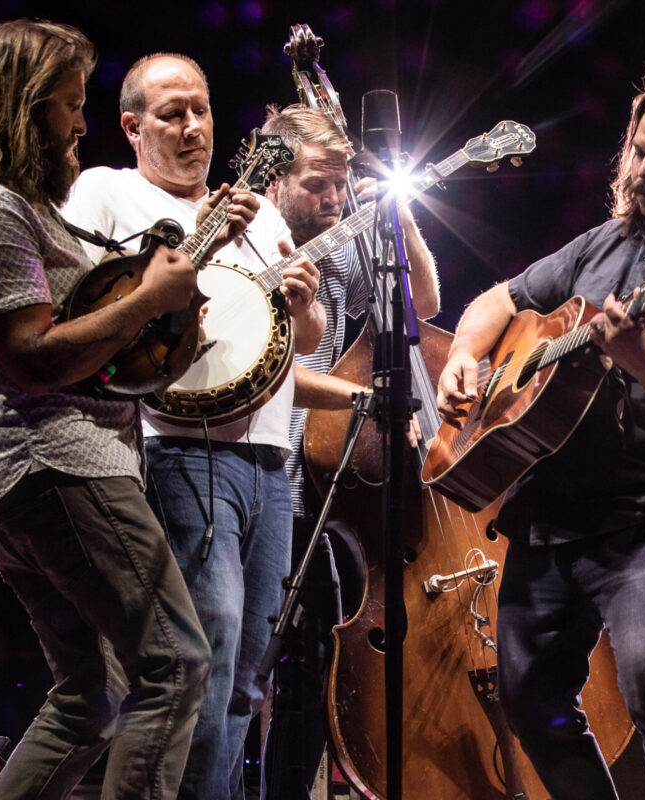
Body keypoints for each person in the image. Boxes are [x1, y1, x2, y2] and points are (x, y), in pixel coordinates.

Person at [436, 72, 645, 800]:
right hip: (553, 508)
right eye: (638, 152)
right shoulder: (607, 240)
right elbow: (501, 300)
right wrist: (468, 356)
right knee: (529, 695)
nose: (643, 171)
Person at [0, 21, 212, 800]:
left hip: (47, 472)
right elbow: (33, 357)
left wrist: (163, 326)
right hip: (61, 466)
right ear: (21, 108)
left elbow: (84, 346)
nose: (80, 123)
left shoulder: (14, 206)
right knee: (175, 663)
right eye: (67, 105)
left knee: (98, 694)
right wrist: (147, 298)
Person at [62, 54, 324, 800]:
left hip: (271, 460)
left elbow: (304, 339)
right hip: (176, 451)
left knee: (247, 666)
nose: (192, 128)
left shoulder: (263, 213)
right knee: (202, 647)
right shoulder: (108, 192)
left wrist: (303, 301)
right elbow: (85, 303)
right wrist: (195, 244)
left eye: (202, 110)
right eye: (173, 113)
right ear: (132, 126)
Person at [255, 103, 439, 798]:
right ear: (275, 179)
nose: (333, 198)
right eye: (316, 184)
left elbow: (419, 300)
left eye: (341, 183)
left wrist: (400, 218)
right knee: (247, 671)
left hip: (308, 489)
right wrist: (364, 402)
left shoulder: (336, 243)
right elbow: (267, 376)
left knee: (308, 674)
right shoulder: (256, 250)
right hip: (257, 476)